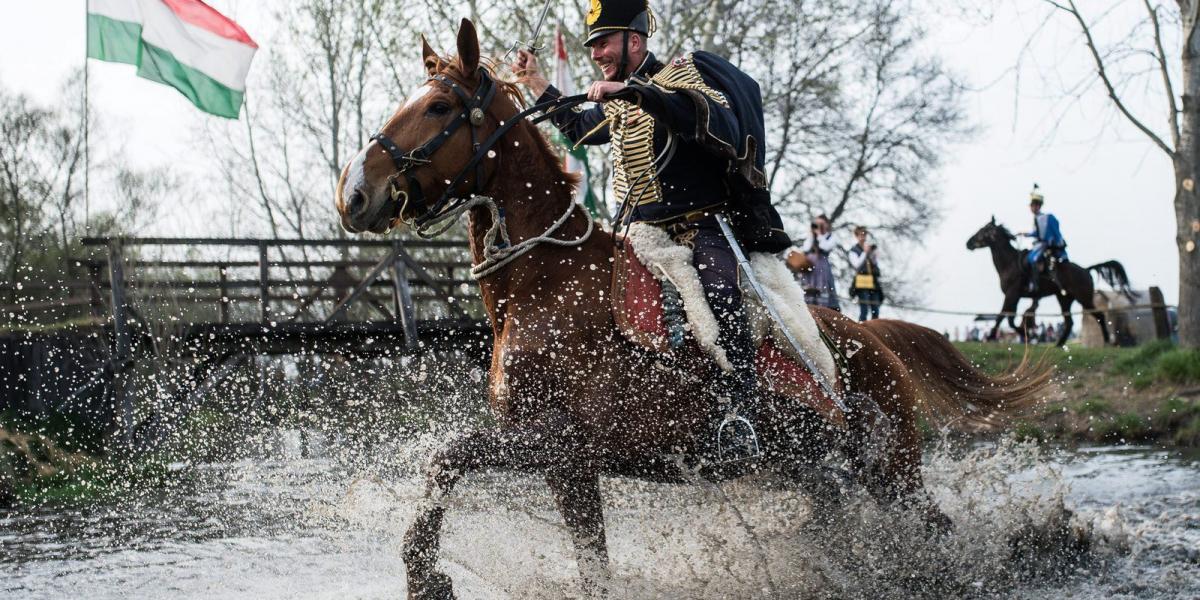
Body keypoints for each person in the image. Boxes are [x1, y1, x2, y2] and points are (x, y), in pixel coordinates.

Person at [512, 0, 790, 465]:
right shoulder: (622, 94)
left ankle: (744, 413)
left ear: (634, 41)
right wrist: (537, 81)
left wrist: (637, 94)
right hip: (641, 234)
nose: (597, 53)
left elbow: (713, 120)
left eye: (604, 43)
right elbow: (581, 129)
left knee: (721, 294)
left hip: (704, 228)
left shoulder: (682, 76)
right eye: (593, 45)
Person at [1024, 184, 1068, 292]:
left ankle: (1035, 284)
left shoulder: (1045, 217)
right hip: (1039, 244)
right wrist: (1026, 234)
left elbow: (1044, 234)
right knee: (1028, 258)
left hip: (1045, 244)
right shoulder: (1037, 218)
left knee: (1033, 259)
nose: (1032, 208)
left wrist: (1029, 234)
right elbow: (1037, 233)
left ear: (1038, 206)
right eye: (1032, 205)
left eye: (1034, 205)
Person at [799, 214, 840, 311]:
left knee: (822, 290)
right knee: (808, 290)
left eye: (821, 224)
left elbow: (824, 247)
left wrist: (820, 235)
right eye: (817, 223)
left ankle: (822, 311)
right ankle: (809, 309)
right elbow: (806, 248)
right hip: (809, 268)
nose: (819, 226)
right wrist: (812, 234)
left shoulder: (830, 237)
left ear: (827, 224)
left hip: (822, 268)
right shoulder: (811, 236)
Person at [848, 225, 883, 321]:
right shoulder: (853, 251)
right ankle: (862, 330)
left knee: (875, 310)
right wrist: (865, 252)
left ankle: (875, 330)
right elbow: (857, 265)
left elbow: (875, 264)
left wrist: (873, 253)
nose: (863, 236)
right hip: (862, 282)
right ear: (856, 236)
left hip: (873, 282)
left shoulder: (869, 247)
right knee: (864, 310)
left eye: (865, 234)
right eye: (861, 234)